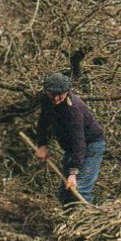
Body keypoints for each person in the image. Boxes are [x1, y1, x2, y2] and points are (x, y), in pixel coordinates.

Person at [35, 73, 106, 205]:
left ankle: (88, 222)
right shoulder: (46, 100)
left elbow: (79, 144)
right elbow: (43, 123)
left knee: (79, 190)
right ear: (47, 92)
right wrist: (42, 145)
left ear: (67, 92)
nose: (56, 98)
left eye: (60, 95)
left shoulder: (73, 109)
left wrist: (73, 173)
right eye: (52, 94)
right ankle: (67, 223)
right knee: (65, 193)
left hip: (91, 146)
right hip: (71, 149)